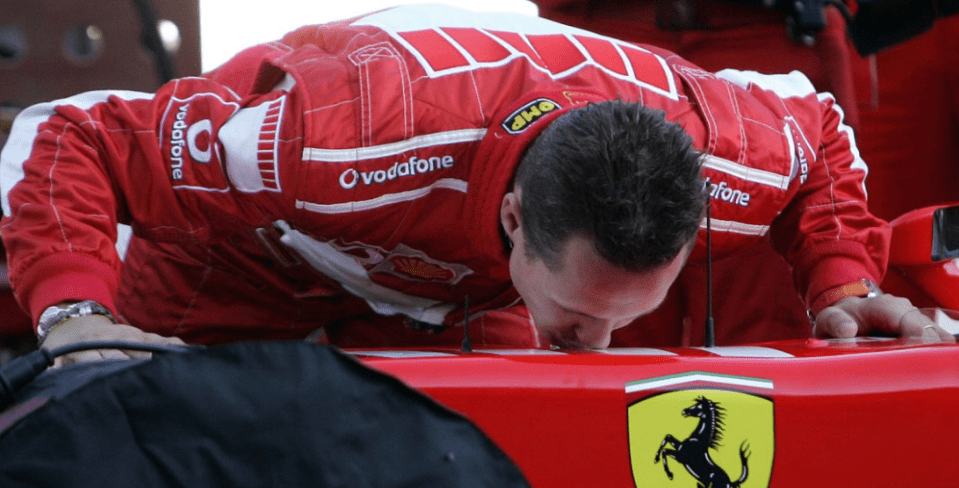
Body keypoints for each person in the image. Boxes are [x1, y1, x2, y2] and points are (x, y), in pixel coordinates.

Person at [0, 5, 950, 365]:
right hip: (259, 258)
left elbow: (820, 128)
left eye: (624, 315)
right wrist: (73, 313)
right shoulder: (334, 139)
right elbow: (75, 131)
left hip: (460, 286)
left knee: (498, 480)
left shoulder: (726, 149)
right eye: (581, 317)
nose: (597, 345)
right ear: (512, 214)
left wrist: (843, 287)